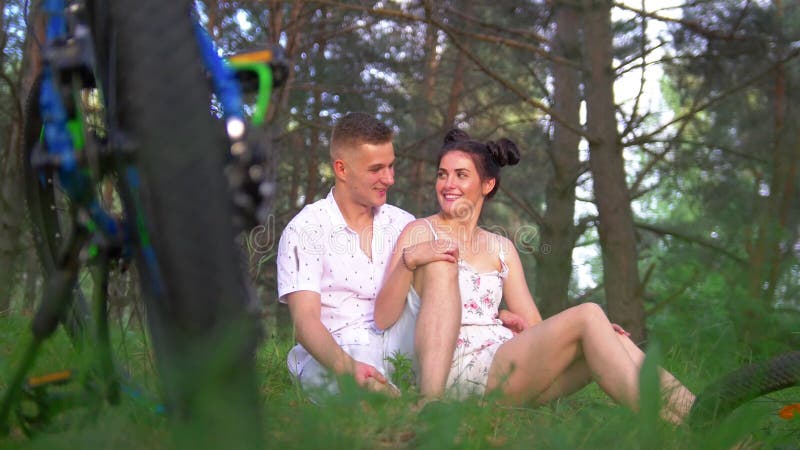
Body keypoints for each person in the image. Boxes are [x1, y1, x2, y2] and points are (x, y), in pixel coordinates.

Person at [374, 129, 696, 422]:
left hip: (502, 366)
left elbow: (535, 326)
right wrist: (408, 260)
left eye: (461, 175)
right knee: (588, 314)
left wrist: (597, 333)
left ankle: (699, 414)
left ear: (488, 185)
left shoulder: (502, 248)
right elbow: (383, 316)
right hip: (450, 369)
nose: (448, 185)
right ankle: (666, 425)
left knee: (609, 334)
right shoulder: (419, 232)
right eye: (443, 175)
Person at [276, 112, 464, 398]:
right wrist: (348, 368)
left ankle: (431, 403)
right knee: (365, 405)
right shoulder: (306, 228)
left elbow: (441, 293)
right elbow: (305, 323)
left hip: (399, 343)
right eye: (376, 169)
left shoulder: (403, 223)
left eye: (391, 166)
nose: (389, 179)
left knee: (438, 261)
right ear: (341, 169)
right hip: (336, 353)